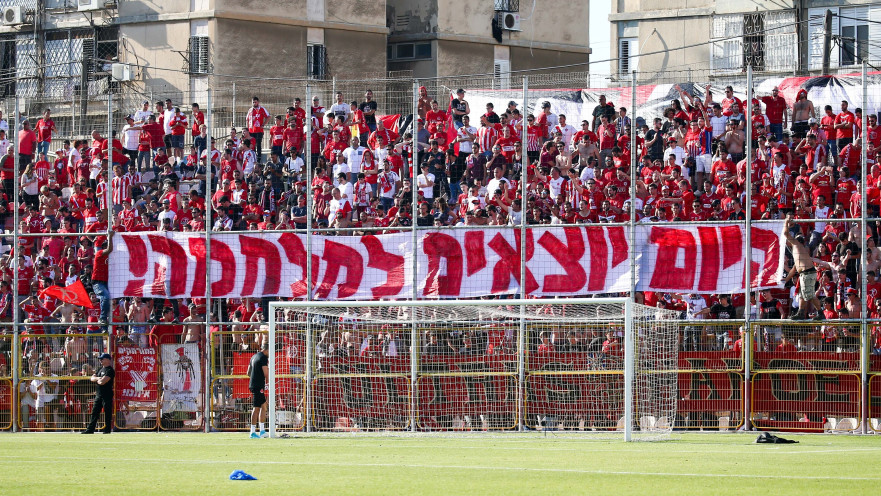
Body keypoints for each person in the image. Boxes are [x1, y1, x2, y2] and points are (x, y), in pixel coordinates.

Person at [783, 214, 822, 320]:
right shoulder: (800, 254)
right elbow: (793, 270)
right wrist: (786, 279)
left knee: (809, 295)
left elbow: (786, 233)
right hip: (806, 273)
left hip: (807, 273)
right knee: (801, 294)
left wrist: (786, 222)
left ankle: (820, 312)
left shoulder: (796, 245)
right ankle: (800, 312)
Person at [82, 353, 114, 434]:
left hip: (107, 394)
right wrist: (98, 378)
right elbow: (92, 378)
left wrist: (98, 379)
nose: (100, 361)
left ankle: (107, 429)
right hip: (99, 394)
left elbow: (102, 382)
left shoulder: (110, 370)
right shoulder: (99, 369)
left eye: (102, 359)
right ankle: (90, 429)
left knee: (107, 412)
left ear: (107, 360)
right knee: (94, 412)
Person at [246, 342, 269, 438]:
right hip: (258, 385)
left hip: (254, 384)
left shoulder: (254, 356)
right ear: (267, 350)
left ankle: (262, 430)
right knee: (256, 408)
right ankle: (252, 432)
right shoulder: (263, 358)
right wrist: (267, 382)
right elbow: (266, 373)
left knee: (264, 406)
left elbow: (248, 372)